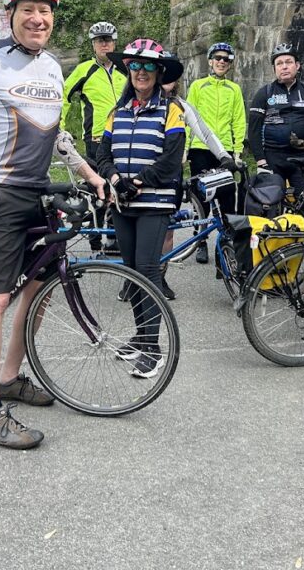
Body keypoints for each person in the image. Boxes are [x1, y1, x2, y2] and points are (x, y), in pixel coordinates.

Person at [0, 0, 106, 450]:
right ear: (10, 15)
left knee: (38, 289)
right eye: (29, 10)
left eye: (47, 11)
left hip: (36, 191)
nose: (39, 18)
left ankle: (11, 376)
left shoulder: (54, 67)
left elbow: (56, 134)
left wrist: (91, 174)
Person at [95, 39, 185, 374]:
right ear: (128, 71)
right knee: (131, 272)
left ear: (159, 72)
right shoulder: (116, 113)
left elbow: (172, 160)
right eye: (134, 65)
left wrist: (140, 180)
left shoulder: (171, 110)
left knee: (148, 271)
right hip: (122, 202)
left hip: (154, 202)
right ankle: (141, 336)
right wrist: (115, 179)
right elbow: (102, 155)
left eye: (147, 66)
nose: (140, 72)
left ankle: (154, 348)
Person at [158, 71, 235, 298]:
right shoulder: (136, 103)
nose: (165, 81)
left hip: (170, 175)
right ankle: (133, 279)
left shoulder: (181, 106)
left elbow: (204, 132)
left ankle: (159, 278)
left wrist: (224, 156)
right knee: (138, 231)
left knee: (167, 232)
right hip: (139, 176)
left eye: (168, 76)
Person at [248, 43, 304, 226]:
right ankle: (273, 247)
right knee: (270, 207)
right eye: (279, 63)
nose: (284, 66)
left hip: (300, 159)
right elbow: (254, 131)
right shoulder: (264, 93)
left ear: (298, 66)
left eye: (288, 62)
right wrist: (260, 161)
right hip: (272, 158)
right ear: (274, 69)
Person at [61, 20, 122, 252]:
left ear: (114, 43)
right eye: (99, 41)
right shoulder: (84, 70)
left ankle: (114, 237)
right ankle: (96, 238)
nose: (104, 45)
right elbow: (63, 97)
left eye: (108, 40)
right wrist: (61, 129)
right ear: (93, 45)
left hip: (122, 137)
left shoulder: (125, 70)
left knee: (119, 186)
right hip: (96, 139)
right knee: (99, 188)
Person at [184, 41, 246, 262]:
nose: (222, 61)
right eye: (217, 58)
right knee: (202, 199)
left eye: (226, 59)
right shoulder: (198, 86)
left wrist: (237, 152)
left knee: (227, 198)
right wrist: (184, 150)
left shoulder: (234, 89)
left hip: (225, 150)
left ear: (230, 65)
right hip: (201, 148)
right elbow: (188, 118)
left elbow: (239, 120)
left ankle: (226, 242)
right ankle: (200, 241)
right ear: (210, 61)